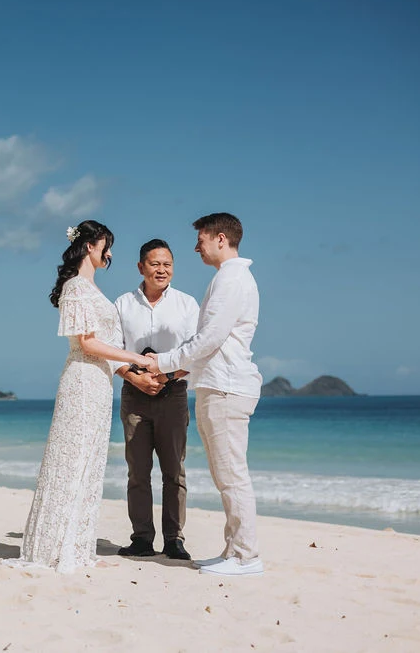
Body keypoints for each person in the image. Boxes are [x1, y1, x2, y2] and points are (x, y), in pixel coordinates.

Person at [5, 220, 159, 574]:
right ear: (90, 246)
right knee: (71, 460)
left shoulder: (91, 287)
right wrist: (136, 358)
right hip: (82, 381)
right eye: (107, 245)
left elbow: (101, 347)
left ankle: (76, 544)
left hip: (99, 383)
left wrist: (131, 373)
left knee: (89, 462)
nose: (111, 252)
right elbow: (87, 342)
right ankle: (55, 548)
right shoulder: (76, 287)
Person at [147, 213, 264, 577]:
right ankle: (233, 549)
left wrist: (163, 363)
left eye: (201, 238)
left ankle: (246, 556)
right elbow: (214, 343)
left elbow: (211, 338)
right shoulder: (227, 278)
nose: (196, 246)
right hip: (218, 383)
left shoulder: (231, 279)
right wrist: (179, 369)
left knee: (232, 475)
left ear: (221, 239)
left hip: (228, 386)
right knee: (224, 473)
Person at [112, 239, 199, 561]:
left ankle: (174, 539)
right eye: (154, 264)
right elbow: (111, 348)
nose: (161, 270)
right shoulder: (122, 303)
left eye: (167, 264)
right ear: (140, 267)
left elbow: (197, 350)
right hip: (133, 393)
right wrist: (133, 376)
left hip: (173, 394)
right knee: (138, 471)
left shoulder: (187, 304)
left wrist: (166, 376)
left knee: (174, 471)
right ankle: (142, 539)